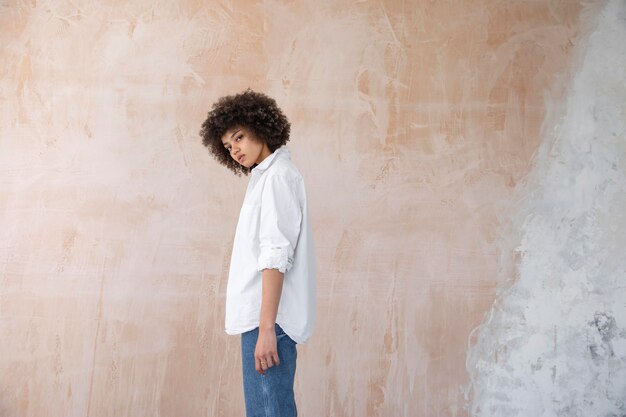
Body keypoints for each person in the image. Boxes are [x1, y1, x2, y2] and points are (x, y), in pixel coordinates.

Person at [200, 89, 316, 417]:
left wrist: (266, 330)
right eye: (227, 145)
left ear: (260, 127)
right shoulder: (264, 177)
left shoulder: (278, 177)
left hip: (268, 320)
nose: (234, 149)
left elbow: (275, 256)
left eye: (238, 137)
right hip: (262, 319)